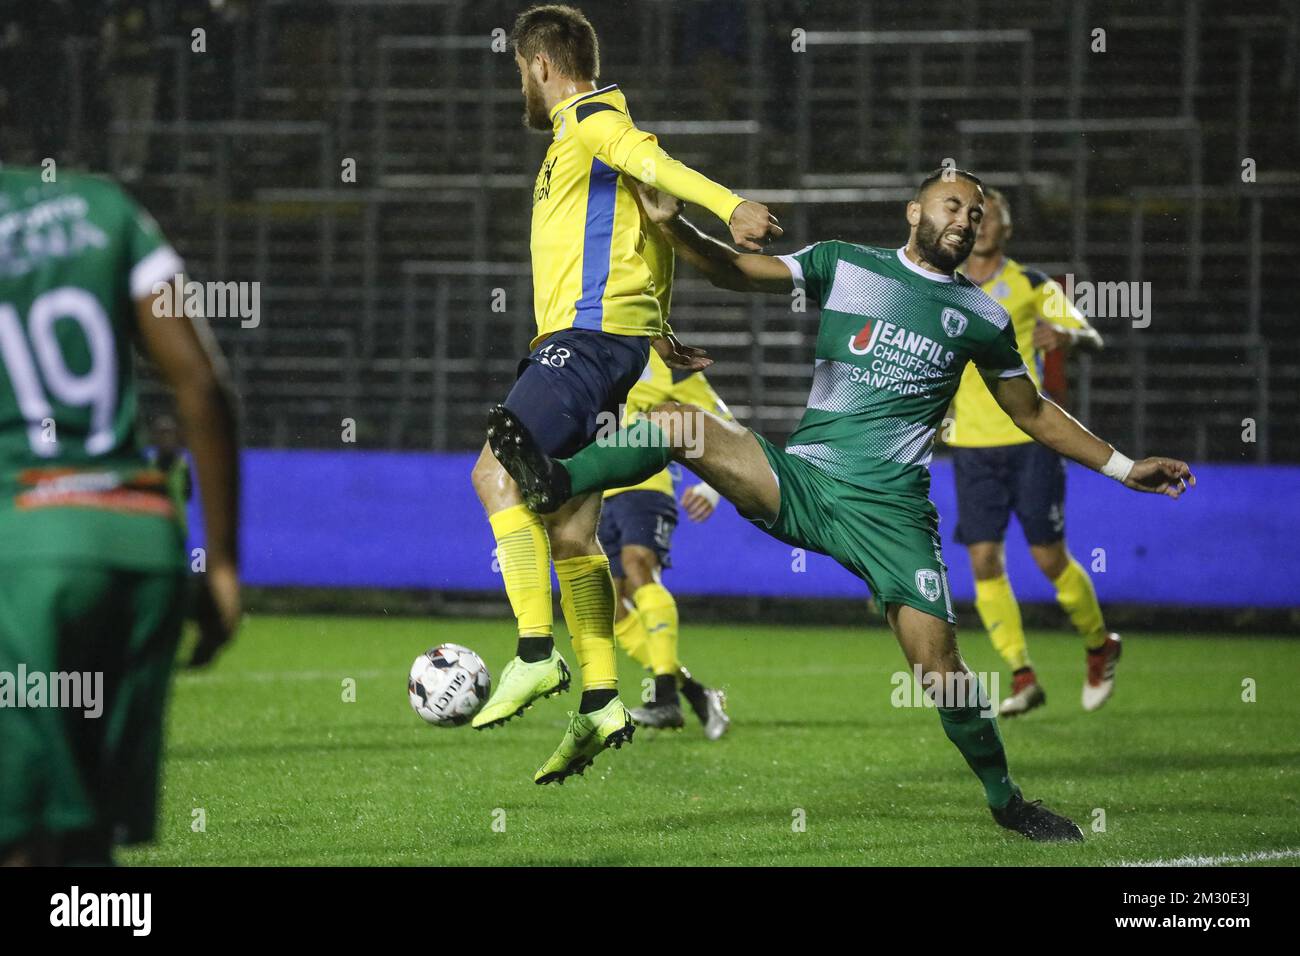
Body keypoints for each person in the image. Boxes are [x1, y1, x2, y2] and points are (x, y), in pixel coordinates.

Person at [487, 169, 1195, 840]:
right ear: (915, 213)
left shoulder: (980, 314)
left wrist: (1126, 467)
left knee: (941, 673)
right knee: (678, 424)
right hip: (805, 481)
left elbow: (1033, 412)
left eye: (975, 213)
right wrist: (676, 229)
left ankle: (1007, 801)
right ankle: (553, 478)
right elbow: (736, 270)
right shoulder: (846, 265)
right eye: (952, 205)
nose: (966, 219)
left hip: (892, 516)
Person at [469, 4, 779, 785]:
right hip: (606, 344)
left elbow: (658, 164)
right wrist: (656, 325)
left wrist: (731, 203)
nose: (523, 85)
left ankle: (536, 653)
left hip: (582, 342)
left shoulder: (592, 116)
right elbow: (651, 219)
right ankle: (604, 695)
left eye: (520, 71)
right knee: (572, 530)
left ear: (539, 65)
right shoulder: (583, 148)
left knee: (495, 473)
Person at [0, 166, 241, 864]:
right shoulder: (102, 207)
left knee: (22, 835)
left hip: (24, 555)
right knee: (87, 840)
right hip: (137, 546)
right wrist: (221, 564)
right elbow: (202, 385)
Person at [948, 187, 1117, 716]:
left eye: (992, 215)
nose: (982, 223)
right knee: (982, 560)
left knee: (1048, 557)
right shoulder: (942, 285)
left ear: (1006, 229)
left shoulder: (1030, 283)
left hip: (1031, 440)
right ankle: (1022, 674)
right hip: (971, 447)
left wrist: (1067, 338)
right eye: (975, 215)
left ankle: (1099, 644)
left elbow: (1090, 336)